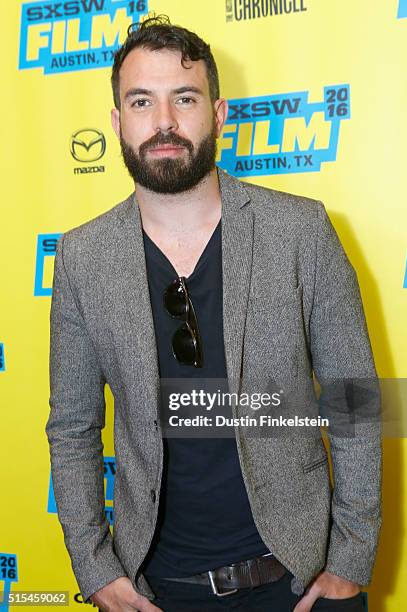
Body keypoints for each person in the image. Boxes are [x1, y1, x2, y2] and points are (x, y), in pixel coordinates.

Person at [46, 15, 382, 612]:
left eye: (185, 98)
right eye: (142, 101)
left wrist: (350, 563)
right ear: (118, 122)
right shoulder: (81, 257)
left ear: (219, 113)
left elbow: (355, 397)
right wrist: (96, 572)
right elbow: (72, 428)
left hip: (298, 586)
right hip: (155, 591)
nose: (165, 122)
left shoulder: (300, 230)